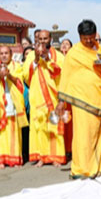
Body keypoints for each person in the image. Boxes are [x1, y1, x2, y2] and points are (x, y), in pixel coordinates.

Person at [57, 20, 101, 179]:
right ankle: (80, 169)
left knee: (96, 133)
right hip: (81, 98)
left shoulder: (99, 49)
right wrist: (61, 101)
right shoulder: (74, 53)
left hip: (99, 95)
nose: (88, 40)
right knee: (82, 134)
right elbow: (66, 76)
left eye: (91, 37)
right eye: (85, 38)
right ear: (80, 36)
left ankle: (96, 166)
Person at [24, 30, 65, 167]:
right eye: (40, 38)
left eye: (45, 38)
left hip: (53, 96)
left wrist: (48, 60)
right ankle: (41, 157)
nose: (42, 41)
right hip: (37, 96)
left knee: (54, 126)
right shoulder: (30, 55)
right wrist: (36, 59)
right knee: (39, 127)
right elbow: (25, 76)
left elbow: (62, 74)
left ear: (50, 39)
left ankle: (55, 157)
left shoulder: (58, 55)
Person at [0, 45, 27, 168]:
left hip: (13, 101)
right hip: (0, 103)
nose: (4, 55)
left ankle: (15, 159)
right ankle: (2, 160)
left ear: (11, 54)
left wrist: (8, 75)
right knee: (1, 132)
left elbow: (19, 83)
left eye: (6, 53)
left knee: (14, 131)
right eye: (1, 53)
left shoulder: (16, 66)